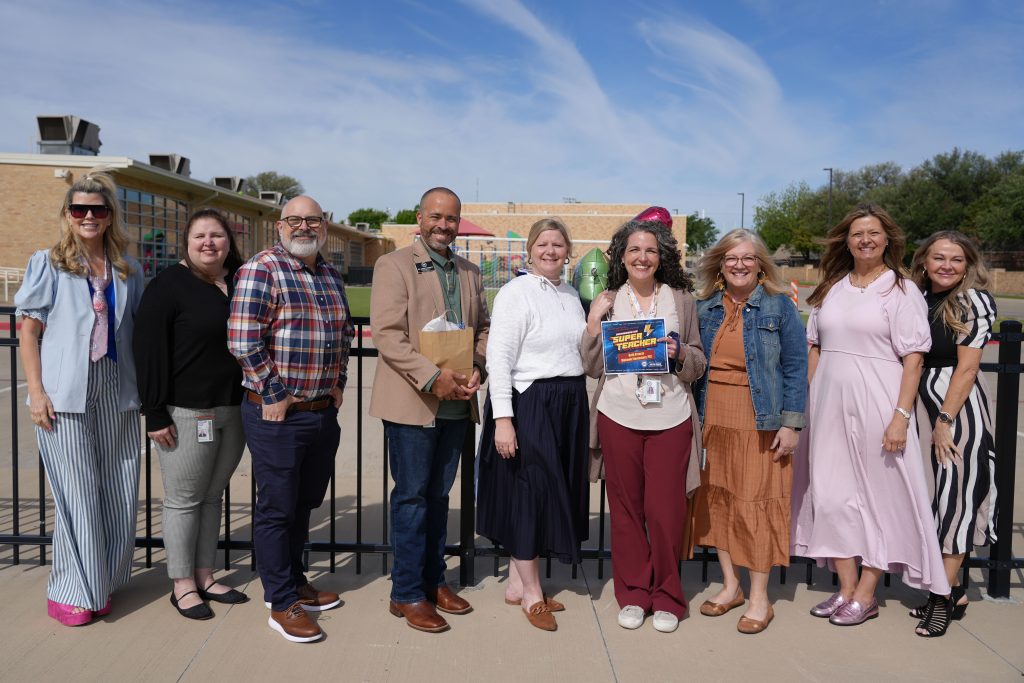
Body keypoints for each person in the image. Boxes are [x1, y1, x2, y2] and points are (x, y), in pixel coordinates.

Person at [790, 203, 951, 635]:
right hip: (827, 403)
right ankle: (845, 588)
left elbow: (914, 359)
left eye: (873, 233)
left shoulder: (901, 290)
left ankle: (867, 591)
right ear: (846, 239)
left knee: (880, 499)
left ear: (887, 240)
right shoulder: (833, 288)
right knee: (831, 496)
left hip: (879, 401)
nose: (865, 239)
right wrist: (806, 403)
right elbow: (816, 347)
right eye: (857, 232)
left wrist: (900, 417)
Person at [15, 170, 144, 626]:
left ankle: (101, 580)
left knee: (116, 488)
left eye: (98, 209)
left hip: (116, 387)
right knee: (78, 492)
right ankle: (71, 590)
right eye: (79, 209)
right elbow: (28, 333)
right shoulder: (47, 262)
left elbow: (139, 332)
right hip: (64, 391)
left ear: (110, 217)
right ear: (68, 216)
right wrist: (36, 392)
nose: (89, 216)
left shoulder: (129, 269)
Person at [228, 196, 354, 643]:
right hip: (278, 414)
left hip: (321, 412)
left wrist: (337, 381)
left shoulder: (329, 274)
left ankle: (295, 579)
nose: (304, 227)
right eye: (295, 220)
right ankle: (281, 600)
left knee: (303, 504)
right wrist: (274, 393)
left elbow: (342, 334)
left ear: (324, 225)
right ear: (280, 226)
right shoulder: (263, 268)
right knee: (278, 507)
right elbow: (243, 340)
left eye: (313, 220)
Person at [370, 187, 489, 633]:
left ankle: (434, 580)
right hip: (414, 405)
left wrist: (477, 366)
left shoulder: (470, 271)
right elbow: (387, 335)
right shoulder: (393, 265)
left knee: (439, 498)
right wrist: (432, 377)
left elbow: (484, 329)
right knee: (413, 498)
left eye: (452, 218)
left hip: (457, 405)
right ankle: (406, 593)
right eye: (435, 217)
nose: (444, 225)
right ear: (419, 219)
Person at [581, 213, 706, 634]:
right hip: (618, 415)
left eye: (650, 250)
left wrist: (679, 354)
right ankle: (633, 593)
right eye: (634, 249)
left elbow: (698, 362)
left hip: (670, 417)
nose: (642, 256)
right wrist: (594, 322)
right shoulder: (609, 298)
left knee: (665, 512)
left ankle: (668, 596)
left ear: (662, 256)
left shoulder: (682, 301)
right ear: (622, 256)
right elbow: (591, 364)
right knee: (627, 511)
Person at [691, 229, 807, 635]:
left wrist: (792, 424)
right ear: (720, 265)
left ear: (760, 264)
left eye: (747, 257)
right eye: (730, 258)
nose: (739, 264)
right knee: (718, 500)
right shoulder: (704, 307)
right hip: (712, 417)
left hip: (760, 419)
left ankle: (760, 597)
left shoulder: (780, 307)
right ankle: (730, 586)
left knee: (755, 503)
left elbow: (795, 367)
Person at [134, 209, 248, 620]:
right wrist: (154, 412)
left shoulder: (238, 281)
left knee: (212, 496)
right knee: (183, 500)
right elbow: (148, 352)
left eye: (217, 235)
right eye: (200, 235)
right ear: (186, 242)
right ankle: (181, 584)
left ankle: (205, 574)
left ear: (228, 242)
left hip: (233, 409)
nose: (209, 243)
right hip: (185, 412)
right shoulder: (168, 286)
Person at [477, 218, 588, 632]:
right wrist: (503, 419)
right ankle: (533, 595)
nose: (550, 251)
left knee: (544, 494)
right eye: (543, 244)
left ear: (567, 251)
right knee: (529, 493)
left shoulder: (572, 294)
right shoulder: (514, 293)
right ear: (530, 249)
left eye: (558, 244)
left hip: (569, 400)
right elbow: (499, 360)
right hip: (530, 401)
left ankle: (515, 584)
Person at [908, 230, 997, 634]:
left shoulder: (972, 301)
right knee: (937, 499)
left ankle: (939, 601)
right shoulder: (919, 299)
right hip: (926, 412)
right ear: (924, 261)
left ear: (968, 266)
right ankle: (955, 592)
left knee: (955, 502)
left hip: (955, 413)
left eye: (956, 259)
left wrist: (945, 421)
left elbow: (967, 368)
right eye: (939, 257)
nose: (946, 265)